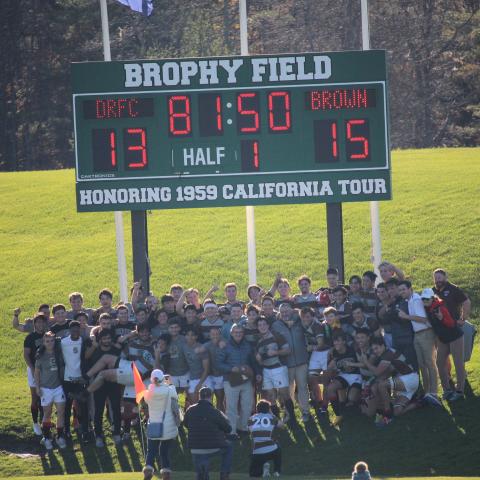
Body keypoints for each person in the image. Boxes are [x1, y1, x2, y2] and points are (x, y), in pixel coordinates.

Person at [397, 280, 440, 405]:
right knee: (422, 365)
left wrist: (406, 317)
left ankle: (434, 392)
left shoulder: (415, 300)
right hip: (418, 335)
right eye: (400, 290)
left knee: (430, 363)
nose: (401, 292)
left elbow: (423, 319)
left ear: (410, 289)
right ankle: (427, 392)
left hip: (426, 333)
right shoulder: (409, 300)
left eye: (403, 289)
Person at [362, 336, 419, 425]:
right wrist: (370, 383)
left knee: (382, 385)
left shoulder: (387, 354)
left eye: (376, 348)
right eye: (373, 349)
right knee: (397, 412)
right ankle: (417, 403)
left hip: (410, 379)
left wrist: (366, 362)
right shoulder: (388, 353)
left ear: (383, 346)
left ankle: (387, 415)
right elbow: (386, 373)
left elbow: (377, 372)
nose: (375, 351)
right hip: (406, 383)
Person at [421, 288, 466, 401]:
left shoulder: (440, 307)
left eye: (427, 299)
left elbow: (451, 324)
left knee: (458, 362)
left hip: (454, 336)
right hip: (443, 338)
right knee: (439, 362)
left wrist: (441, 318)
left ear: (432, 298)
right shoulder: (427, 308)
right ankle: (447, 390)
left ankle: (460, 390)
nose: (424, 301)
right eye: (423, 299)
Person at [271, 303, 311, 423]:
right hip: (285, 363)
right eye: (282, 312)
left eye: (287, 311)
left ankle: (305, 412)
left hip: (301, 361)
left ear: (291, 311)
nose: (285, 313)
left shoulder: (299, 320)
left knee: (303, 387)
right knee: (287, 390)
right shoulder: (276, 325)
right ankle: (289, 413)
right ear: (279, 313)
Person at [184, 386, 233, 480]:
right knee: (229, 447)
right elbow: (228, 429)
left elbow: (186, 424)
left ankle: (202, 471)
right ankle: (224, 474)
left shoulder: (190, 410)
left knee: (200, 470)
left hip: (195, 447)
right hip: (213, 447)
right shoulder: (215, 412)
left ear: (199, 396)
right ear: (212, 397)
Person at [217, 325, 259, 435]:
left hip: (246, 379)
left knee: (247, 405)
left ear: (243, 333)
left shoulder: (248, 346)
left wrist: (257, 373)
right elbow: (219, 364)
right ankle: (232, 431)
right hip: (230, 379)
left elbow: (253, 362)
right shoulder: (225, 346)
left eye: (240, 332)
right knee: (231, 407)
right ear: (231, 333)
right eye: (236, 332)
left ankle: (243, 427)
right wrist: (231, 369)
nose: (238, 334)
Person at [142, 369, 179, 480]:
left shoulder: (148, 393)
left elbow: (146, 399)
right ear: (163, 378)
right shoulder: (170, 389)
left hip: (154, 426)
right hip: (168, 428)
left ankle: (148, 470)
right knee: (164, 451)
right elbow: (176, 397)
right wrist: (170, 382)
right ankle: (166, 473)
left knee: (151, 450)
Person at [255, 317, 293, 422]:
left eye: (264, 324)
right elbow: (260, 360)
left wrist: (276, 352)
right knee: (270, 396)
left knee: (284, 394)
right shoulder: (258, 341)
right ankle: (277, 420)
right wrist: (258, 359)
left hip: (279, 368)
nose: (262, 327)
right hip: (266, 370)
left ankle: (291, 419)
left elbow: (288, 350)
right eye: (260, 325)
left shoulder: (276, 335)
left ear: (268, 326)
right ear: (257, 327)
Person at [34, 332, 67, 450]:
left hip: (58, 387)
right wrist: (37, 387)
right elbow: (37, 373)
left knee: (61, 413)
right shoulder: (40, 355)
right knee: (47, 413)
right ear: (43, 342)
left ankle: (60, 436)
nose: (50, 343)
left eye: (52, 340)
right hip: (46, 388)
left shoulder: (59, 353)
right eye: (47, 341)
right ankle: (47, 438)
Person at [60, 320, 90, 443]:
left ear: (80, 330)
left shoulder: (84, 341)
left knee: (83, 405)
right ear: (69, 331)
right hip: (67, 380)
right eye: (73, 330)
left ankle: (85, 431)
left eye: (77, 330)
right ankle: (66, 431)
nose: (75, 332)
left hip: (80, 379)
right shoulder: (62, 342)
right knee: (67, 407)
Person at [323, 331, 362, 425]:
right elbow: (329, 368)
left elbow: (363, 364)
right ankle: (338, 414)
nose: (336, 343)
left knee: (351, 399)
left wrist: (352, 364)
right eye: (334, 341)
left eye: (338, 341)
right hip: (344, 375)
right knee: (330, 388)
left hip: (357, 376)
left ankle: (354, 412)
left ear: (344, 342)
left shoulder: (353, 349)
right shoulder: (333, 352)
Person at [23, 312, 48, 435]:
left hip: (47, 370)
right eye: (38, 322)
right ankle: (35, 423)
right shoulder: (30, 337)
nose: (40, 324)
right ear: (34, 324)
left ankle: (44, 421)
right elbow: (26, 354)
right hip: (34, 368)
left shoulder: (48, 335)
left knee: (45, 396)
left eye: (42, 322)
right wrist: (32, 368)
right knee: (35, 397)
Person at [247, 400, 283, 479]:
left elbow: (249, 431)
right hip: (271, 450)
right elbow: (281, 425)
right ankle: (276, 471)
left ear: (257, 409)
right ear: (268, 409)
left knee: (253, 476)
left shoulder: (251, 419)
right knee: (278, 447)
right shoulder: (271, 417)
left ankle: (264, 465)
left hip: (257, 452)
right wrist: (272, 413)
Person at [183, 327, 210, 404]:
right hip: (192, 378)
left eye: (192, 335)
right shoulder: (184, 347)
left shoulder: (201, 348)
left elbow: (206, 369)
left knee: (205, 405)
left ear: (196, 337)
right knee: (193, 404)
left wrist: (199, 384)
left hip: (204, 378)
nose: (190, 337)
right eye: (188, 335)